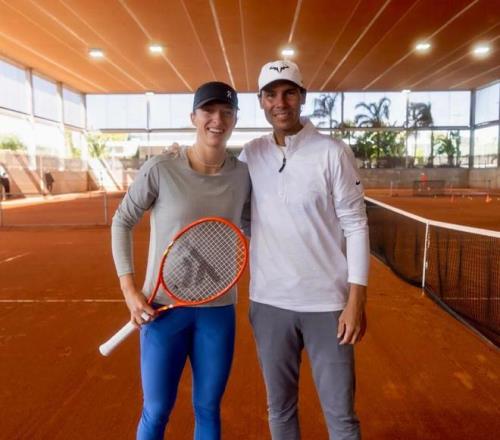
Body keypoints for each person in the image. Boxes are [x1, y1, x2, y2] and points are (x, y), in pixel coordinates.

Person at [111, 81, 250, 440]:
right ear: (193, 117)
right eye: (208, 111)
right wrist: (130, 290)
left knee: (207, 408)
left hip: (218, 311)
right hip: (162, 309)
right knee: (156, 410)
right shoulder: (161, 168)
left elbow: (258, 224)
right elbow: (122, 220)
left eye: (226, 112)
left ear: (235, 120)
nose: (217, 120)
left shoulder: (244, 175)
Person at [239, 60, 370, 440]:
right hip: (269, 304)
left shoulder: (333, 152)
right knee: (279, 409)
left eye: (289, 93)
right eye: (271, 95)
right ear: (261, 101)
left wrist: (355, 300)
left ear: (302, 97)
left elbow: (356, 224)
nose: (280, 103)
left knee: (341, 417)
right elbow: (235, 209)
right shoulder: (250, 155)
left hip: (327, 305)